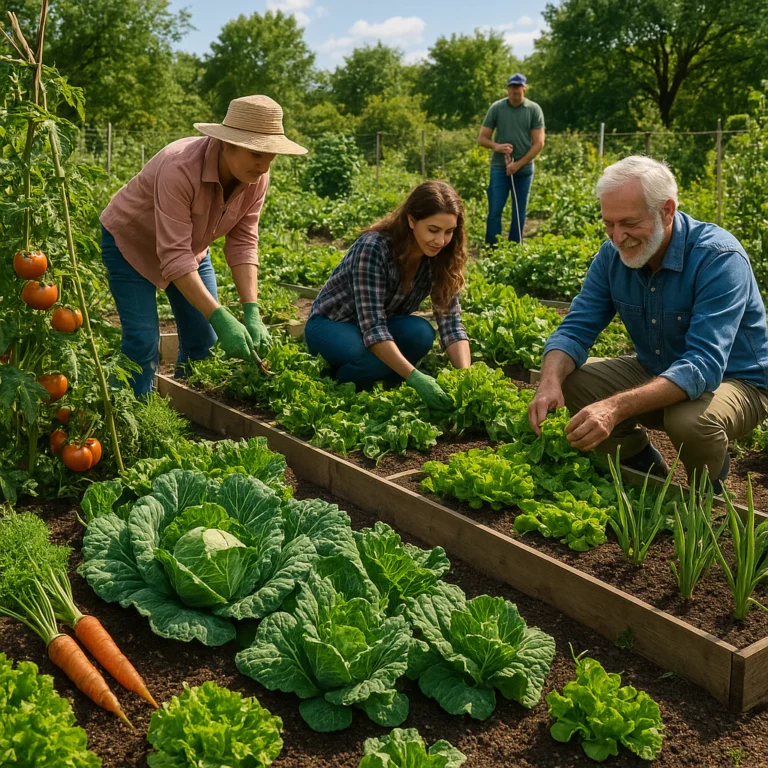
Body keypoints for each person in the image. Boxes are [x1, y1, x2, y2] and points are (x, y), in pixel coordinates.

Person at [528, 155, 768, 489]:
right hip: (660, 368)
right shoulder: (611, 256)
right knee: (571, 381)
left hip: (736, 380)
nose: (617, 236)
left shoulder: (718, 258)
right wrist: (549, 381)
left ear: (667, 210)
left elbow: (704, 364)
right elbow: (575, 328)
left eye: (628, 222)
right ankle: (639, 462)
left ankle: (707, 491)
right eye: (609, 224)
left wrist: (614, 407)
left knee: (689, 420)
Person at [100, 95, 307, 396]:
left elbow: (244, 241)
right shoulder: (180, 167)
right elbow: (173, 255)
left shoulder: (255, 177)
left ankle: (185, 411)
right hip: (131, 244)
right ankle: (129, 418)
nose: (264, 164)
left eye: (271, 154)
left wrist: (252, 310)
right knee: (142, 341)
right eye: (255, 153)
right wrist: (221, 314)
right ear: (227, 144)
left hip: (190, 250)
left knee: (203, 338)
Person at [304, 180, 471, 416]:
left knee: (421, 333)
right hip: (332, 324)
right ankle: (337, 380)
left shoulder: (440, 255)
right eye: (433, 230)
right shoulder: (374, 247)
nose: (441, 241)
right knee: (368, 357)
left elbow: (451, 323)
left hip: (377, 326)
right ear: (412, 220)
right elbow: (372, 327)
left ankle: (382, 374)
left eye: (449, 231)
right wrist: (416, 377)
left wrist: (466, 378)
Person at [479, 73, 545, 246]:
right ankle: (492, 248)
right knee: (495, 209)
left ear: (524, 88)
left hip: (523, 170)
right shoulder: (497, 108)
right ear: (508, 89)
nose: (515, 91)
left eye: (518, 87)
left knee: (519, 211)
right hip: (500, 168)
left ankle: (514, 248)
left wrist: (518, 164)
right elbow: (482, 138)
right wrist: (497, 147)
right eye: (512, 87)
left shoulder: (533, 109)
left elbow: (539, 143)